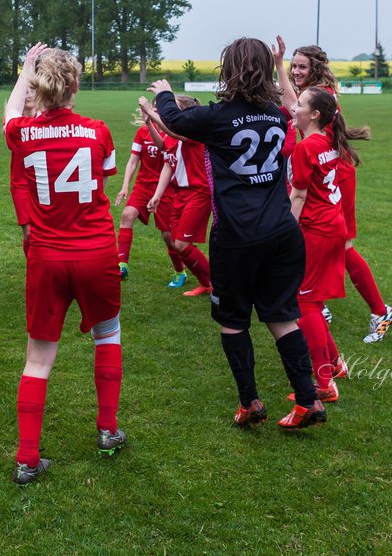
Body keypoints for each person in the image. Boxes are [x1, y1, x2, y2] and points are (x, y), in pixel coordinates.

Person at [152, 37, 325, 432]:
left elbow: (175, 121)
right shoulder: (280, 113)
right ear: (264, 69)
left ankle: (249, 402)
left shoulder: (219, 116)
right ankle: (307, 398)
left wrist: (164, 93)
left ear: (228, 69)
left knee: (234, 320)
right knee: (283, 317)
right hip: (283, 230)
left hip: (238, 236)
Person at [4, 44, 125, 485]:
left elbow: (11, 112)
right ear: (75, 86)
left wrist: (24, 72)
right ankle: (108, 429)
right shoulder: (98, 131)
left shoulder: (22, 131)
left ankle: (26, 456)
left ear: (38, 87)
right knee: (107, 334)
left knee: (38, 358)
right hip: (95, 251)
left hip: (47, 255)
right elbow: (103, 180)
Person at [284, 43, 392, 344]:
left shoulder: (320, 97)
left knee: (341, 244)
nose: (295, 71)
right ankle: (317, 305)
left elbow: (295, 106)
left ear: (315, 69)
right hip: (325, 170)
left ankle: (379, 310)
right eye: (293, 65)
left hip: (334, 174)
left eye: (302, 67)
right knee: (321, 242)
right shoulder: (311, 95)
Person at [285, 85, 358, 403]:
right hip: (333, 225)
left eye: (298, 104)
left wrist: (285, 234)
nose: (293, 107)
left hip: (316, 230)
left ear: (315, 114)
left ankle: (324, 382)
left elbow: (298, 195)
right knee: (312, 299)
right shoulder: (326, 140)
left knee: (305, 304)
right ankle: (336, 364)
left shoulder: (307, 147)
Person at [140, 96, 213, 295]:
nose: (168, 112)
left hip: (198, 192)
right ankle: (206, 283)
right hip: (180, 193)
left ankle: (216, 283)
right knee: (175, 241)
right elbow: (166, 159)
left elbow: (173, 132)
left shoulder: (193, 133)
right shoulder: (172, 136)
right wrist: (157, 195)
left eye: (174, 109)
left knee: (182, 243)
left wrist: (151, 112)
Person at [113, 106, 180, 283]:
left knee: (168, 235)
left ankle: (180, 272)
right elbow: (133, 160)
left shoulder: (173, 133)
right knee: (127, 215)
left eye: (157, 110)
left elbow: (166, 150)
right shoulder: (142, 132)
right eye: (152, 109)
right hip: (143, 186)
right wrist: (125, 186)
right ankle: (122, 266)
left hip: (165, 188)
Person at [8, 91, 36, 258]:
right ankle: (32, 267)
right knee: (29, 234)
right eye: (24, 91)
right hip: (21, 185)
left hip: (44, 183)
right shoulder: (12, 123)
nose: (28, 94)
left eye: (32, 90)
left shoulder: (45, 119)